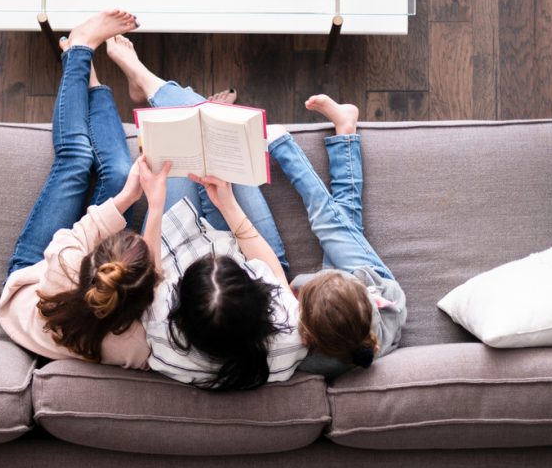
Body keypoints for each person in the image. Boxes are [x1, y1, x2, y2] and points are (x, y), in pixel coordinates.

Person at [106, 36, 305, 390]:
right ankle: (153, 86)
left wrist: (155, 204)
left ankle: (143, 79)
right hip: (251, 248)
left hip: (176, 246)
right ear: (258, 296)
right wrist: (227, 203)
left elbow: (149, 278)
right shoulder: (290, 336)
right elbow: (277, 278)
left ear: (179, 311)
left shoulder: (165, 338)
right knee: (215, 129)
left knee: (172, 147)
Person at [0, 9, 170, 368]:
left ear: (89, 260)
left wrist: (133, 201)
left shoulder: (63, 262)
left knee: (76, 160)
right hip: (71, 298)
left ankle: (78, 50)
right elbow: (153, 285)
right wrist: (137, 196)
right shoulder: (138, 346)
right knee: (121, 171)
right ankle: (91, 82)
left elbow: (147, 274)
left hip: (32, 281)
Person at [267, 94, 407, 378]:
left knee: (346, 212)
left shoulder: (318, 361)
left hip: (346, 299)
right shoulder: (388, 304)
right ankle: (283, 147)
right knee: (327, 220)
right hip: (373, 278)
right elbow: (302, 284)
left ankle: (346, 128)